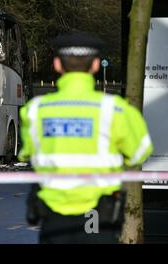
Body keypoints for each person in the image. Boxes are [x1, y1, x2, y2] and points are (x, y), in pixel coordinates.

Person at [18, 32, 153, 243]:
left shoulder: (35, 110)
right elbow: (140, 152)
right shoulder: (116, 109)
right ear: (96, 65)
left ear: (57, 64)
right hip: (98, 213)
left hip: (53, 215)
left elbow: (26, 153)